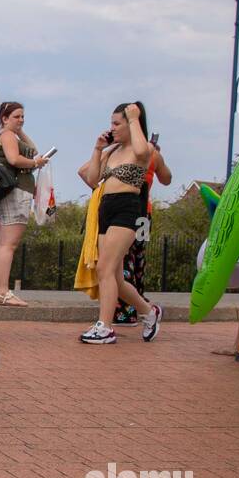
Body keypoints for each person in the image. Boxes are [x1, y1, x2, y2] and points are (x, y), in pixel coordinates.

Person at [75, 102, 162, 344]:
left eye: (117, 123)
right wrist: (97, 149)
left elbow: (145, 153)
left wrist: (134, 117)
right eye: (111, 123)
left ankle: (105, 327)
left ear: (130, 123)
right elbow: (91, 179)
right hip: (106, 207)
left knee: (104, 268)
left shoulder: (140, 150)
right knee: (116, 278)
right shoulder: (112, 152)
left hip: (127, 208)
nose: (112, 128)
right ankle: (149, 311)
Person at [0, 101, 49, 307]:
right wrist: (35, 164)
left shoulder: (10, 135)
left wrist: (19, 131)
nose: (21, 120)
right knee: (9, 244)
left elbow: (32, 149)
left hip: (10, 193)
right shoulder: (6, 136)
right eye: (16, 117)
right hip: (16, 191)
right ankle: (3, 291)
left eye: (22, 117)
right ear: (4, 118)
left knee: (1, 242)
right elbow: (14, 159)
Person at [113, 114, 171, 324]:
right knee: (138, 259)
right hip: (144, 214)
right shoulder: (152, 153)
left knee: (122, 260)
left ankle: (126, 310)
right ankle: (138, 305)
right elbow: (167, 178)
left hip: (126, 211)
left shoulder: (129, 152)